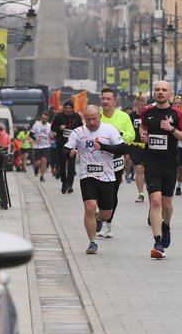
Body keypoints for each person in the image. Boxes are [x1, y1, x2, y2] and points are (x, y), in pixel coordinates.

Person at [63, 105, 128, 255]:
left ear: (99, 116)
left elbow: (122, 149)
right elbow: (64, 150)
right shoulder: (78, 132)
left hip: (107, 176)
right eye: (88, 119)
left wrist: (104, 147)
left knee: (107, 213)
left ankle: (99, 218)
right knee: (89, 207)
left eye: (94, 119)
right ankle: (92, 242)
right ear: (84, 118)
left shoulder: (109, 130)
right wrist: (70, 153)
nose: (91, 122)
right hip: (87, 175)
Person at [140, 81, 182, 259]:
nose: (160, 92)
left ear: (170, 93)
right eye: (157, 89)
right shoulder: (147, 111)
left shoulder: (178, 113)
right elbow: (143, 128)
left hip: (170, 163)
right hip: (151, 162)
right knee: (155, 201)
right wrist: (142, 135)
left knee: (167, 204)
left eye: (164, 90)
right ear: (154, 92)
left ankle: (166, 225)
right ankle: (157, 242)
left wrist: (172, 129)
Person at [97, 87, 136, 238]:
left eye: (108, 99)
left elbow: (131, 136)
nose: (105, 101)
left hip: (115, 159)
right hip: (98, 160)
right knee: (99, 192)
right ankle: (100, 216)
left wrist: (118, 133)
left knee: (112, 192)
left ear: (115, 101)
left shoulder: (123, 116)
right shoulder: (97, 115)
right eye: (103, 98)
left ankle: (108, 223)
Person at [52, 101, 83, 194]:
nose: (68, 110)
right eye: (66, 108)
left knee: (71, 165)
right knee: (62, 165)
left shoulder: (76, 117)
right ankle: (64, 182)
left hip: (73, 144)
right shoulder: (58, 117)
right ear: (64, 108)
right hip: (61, 144)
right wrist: (59, 128)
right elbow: (52, 127)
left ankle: (70, 185)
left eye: (70, 108)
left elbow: (81, 128)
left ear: (72, 108)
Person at [128, 96, 148, 202]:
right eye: (141, 105)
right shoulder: (131, 116)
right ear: (137, 105)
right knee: (139, 168)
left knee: (148, 170)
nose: (143, 107)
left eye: (145, 104)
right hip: (135, 145)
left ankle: (149, 185)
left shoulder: (149, 115)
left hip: (148, 145)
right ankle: (141, 193)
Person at [31, 111, 53, 182]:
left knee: (44, 161)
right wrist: (35, 138)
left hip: (46, 146)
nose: (44, 120)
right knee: (38, 163)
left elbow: (52, 135)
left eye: (45, 119)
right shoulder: (36, 125)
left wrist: (52, 136)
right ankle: (36, 167)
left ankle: (42, 176)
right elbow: (30, 134)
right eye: (43, 118)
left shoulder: (49, 126)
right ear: (41, 118)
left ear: (47, 119)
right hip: (37, 146)